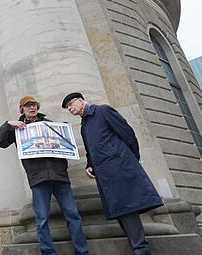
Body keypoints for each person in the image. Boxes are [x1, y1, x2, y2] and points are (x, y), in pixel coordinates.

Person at [62, 92, 164, 255]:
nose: (70, 109)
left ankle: (141, 249)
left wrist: (130, 159)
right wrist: (89, 165)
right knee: (120, 211)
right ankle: (138, 247)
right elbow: (91, 150)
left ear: (81, 101)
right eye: (68, 108)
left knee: (128, 208)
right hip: (105, 176)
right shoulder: (84, 125)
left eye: (71, 105)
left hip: (120, 169)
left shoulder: (102, 111)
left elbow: (127, 133)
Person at [0, 95, 90, 255]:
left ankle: (82, 252)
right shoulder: (17, 128)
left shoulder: (50, 125)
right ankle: (48, 252)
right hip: (38, 179)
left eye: (34, 105)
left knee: (73, 215)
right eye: (28, 106)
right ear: (22, 109)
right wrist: (9, 125)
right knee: (42, 219)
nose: (32, 108)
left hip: (60, 177)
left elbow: (67, 145)